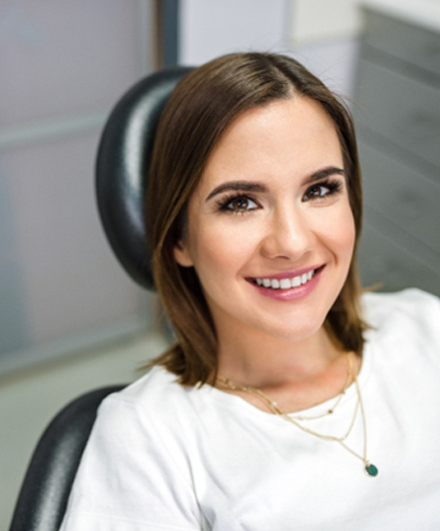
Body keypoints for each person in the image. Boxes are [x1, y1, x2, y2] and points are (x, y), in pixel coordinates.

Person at [59, 53, 440, 530]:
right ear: (179, 238)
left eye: (319, 190)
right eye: (240, 203)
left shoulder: (429, 329)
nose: (293, 243)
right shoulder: (147, 438)